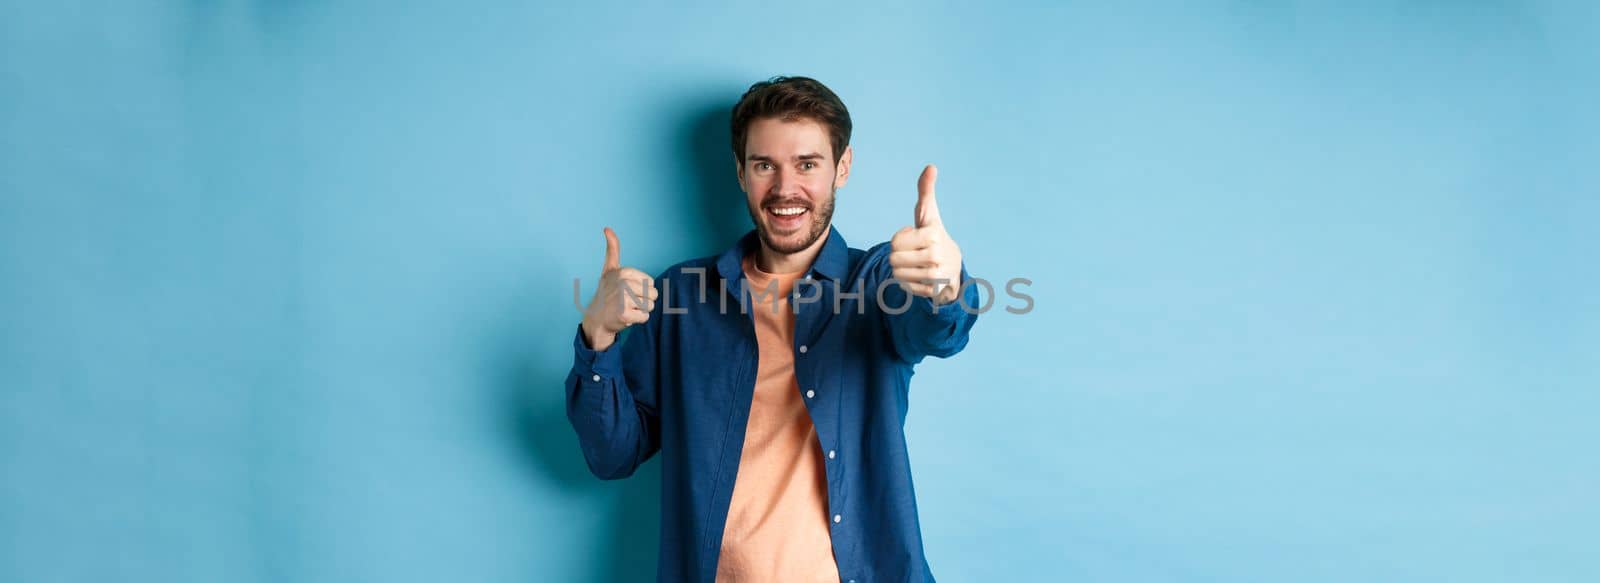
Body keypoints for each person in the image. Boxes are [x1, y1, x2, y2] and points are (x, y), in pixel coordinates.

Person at [565, 76, 980, 583]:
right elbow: (612, 454)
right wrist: (598, 338)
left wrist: (943, 287)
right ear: (741, 173)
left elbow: (938, 334)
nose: (786, 188)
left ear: (842, 167)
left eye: (808, 164)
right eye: (765, 165)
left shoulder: (876, 283)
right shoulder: (681, 296)